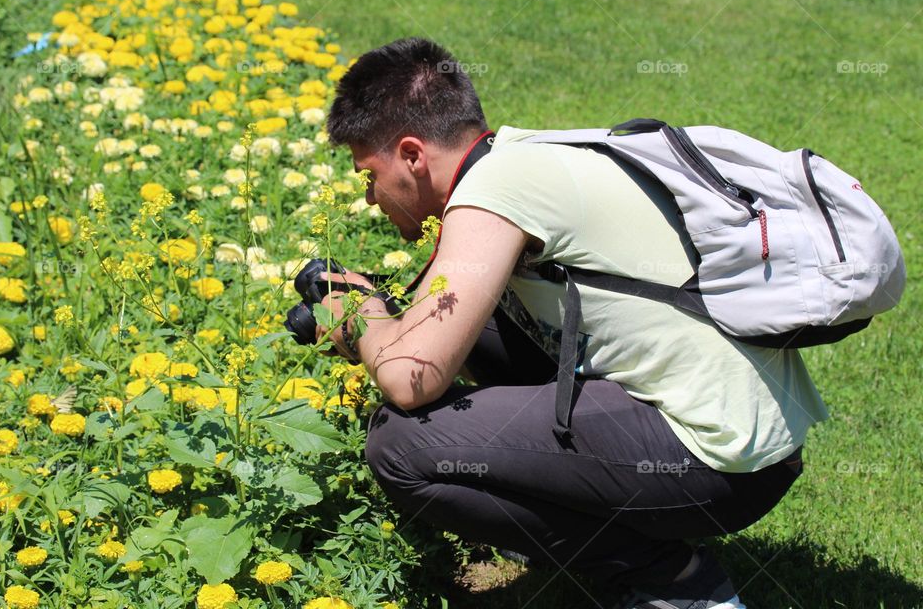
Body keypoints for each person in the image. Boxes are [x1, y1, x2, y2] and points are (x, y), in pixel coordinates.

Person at [314, 37, 826, 609]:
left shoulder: (493, 193)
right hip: (758, 435)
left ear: (412, 154)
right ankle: (572, 508)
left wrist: (363, 317)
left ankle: (673, 580)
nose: (366, 199)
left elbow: (413, 377)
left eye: (368, 175)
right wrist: (383, 318)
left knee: (400, 444)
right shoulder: (519, 155)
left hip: (722, 462)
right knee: (472, 332)